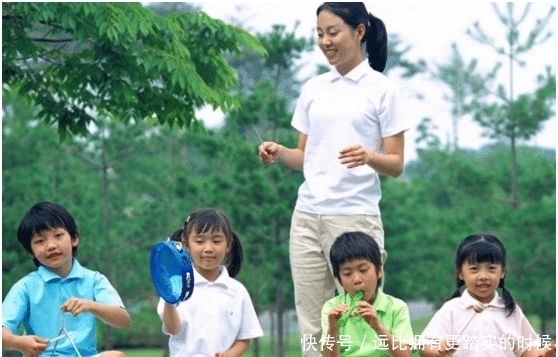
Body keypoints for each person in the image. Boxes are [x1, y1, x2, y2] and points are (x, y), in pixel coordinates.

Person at [257, 3, 409, 355]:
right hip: (308, 214)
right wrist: (278, 151)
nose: (325, 41)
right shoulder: (313, 88)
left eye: (333, 32)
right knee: (313, 317)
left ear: (359, 32)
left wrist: (369, 157)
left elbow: (397, 163)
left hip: (354, 216)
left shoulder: (382, 89)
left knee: (361, 310)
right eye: (320, 34)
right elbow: (304, 158)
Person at [2, 201, 131, 357]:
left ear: (74, 238)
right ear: (30, 252)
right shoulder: (26, 287)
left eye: (58, 236)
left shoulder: (93, 280)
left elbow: (123, 320)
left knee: (115, 356)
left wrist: (90, 306)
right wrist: (19, 343)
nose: (51, 245)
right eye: (40, 241)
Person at [418, 234, 557, 357]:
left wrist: (541, 354)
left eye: (491, 268)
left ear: (502, 271)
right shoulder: (451, 310)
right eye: (474, 269)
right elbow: (424, 346)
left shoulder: (510, 310)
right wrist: (439, 348)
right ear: (460, 273)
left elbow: (526, 349)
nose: (483, 276)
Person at [157, 208, 264, 357]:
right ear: (185, 244)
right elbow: (173, 329)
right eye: (200, 241)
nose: (208, 248)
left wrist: (229, 354)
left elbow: (244, 338)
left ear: (228, 245)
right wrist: (169, 297)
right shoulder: (175, 285)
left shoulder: (238, 291)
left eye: (216, 241)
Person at [321, 231, 414, 357]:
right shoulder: (332, 309)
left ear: (379, 271)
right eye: (347, 273)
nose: (356, 279)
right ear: (339, 280)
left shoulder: (396, 308)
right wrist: (332, 330)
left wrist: (378, 327)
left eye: (363, 270)